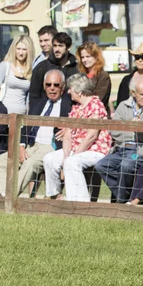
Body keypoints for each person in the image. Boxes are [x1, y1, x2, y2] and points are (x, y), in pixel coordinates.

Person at [0, 69, 72, 196]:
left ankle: (9, 198)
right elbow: (24, 126)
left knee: (30, 164)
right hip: (31, 145)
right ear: (44, 86)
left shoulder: (70, 103)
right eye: (48, 84)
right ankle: (0, 198)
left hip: (51, 147)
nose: (52, 88)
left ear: (63, 86)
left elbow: (83, 122)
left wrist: (70, 128)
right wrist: (21, 146)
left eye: (56, 85)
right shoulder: (37, 103)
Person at [43, 74, 111, 202]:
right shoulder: (76, 107)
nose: (68, 91)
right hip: (77, 149)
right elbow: (68, 134)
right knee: (49, 159)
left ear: (79, 91)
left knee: (71, 162)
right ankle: (55, 196)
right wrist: (65, 155)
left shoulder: (96, 105)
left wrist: (71, 157)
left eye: (71, 89)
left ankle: (80, 202)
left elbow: (92, 136)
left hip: (96, 150)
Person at [95, 77, 143, 204]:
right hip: (120, 148)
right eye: (142, 94)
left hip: (140, 150)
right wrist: (134, 130)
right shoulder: (123, 106)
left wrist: (137, 129)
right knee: (101, 165)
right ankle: (128, 196)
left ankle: (121, 202)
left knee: (126, 165)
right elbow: (115, 131)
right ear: (133, 93)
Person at [29, 32, 79, 108]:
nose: (57, 49)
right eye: (55, 46)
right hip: (46, 112)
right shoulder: (42, 67)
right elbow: (34, 96)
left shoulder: (76, 68)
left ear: (68, 48)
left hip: (69, 112)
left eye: (60, 46)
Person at [0, 35, 35, 115]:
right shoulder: (5, 66)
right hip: (3, 113)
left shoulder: (31, 70)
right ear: (14, 49)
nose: (21, 52)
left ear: (29, 51)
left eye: (24, 49)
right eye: (18, 49)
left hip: (22, 115)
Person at [76, 42, 111, 114]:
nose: (85, 60)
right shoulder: (80, 75)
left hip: (97, 115)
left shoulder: (103, 76)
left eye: (88, 56)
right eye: (82, 57)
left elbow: (99, 99)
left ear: (96, 57)